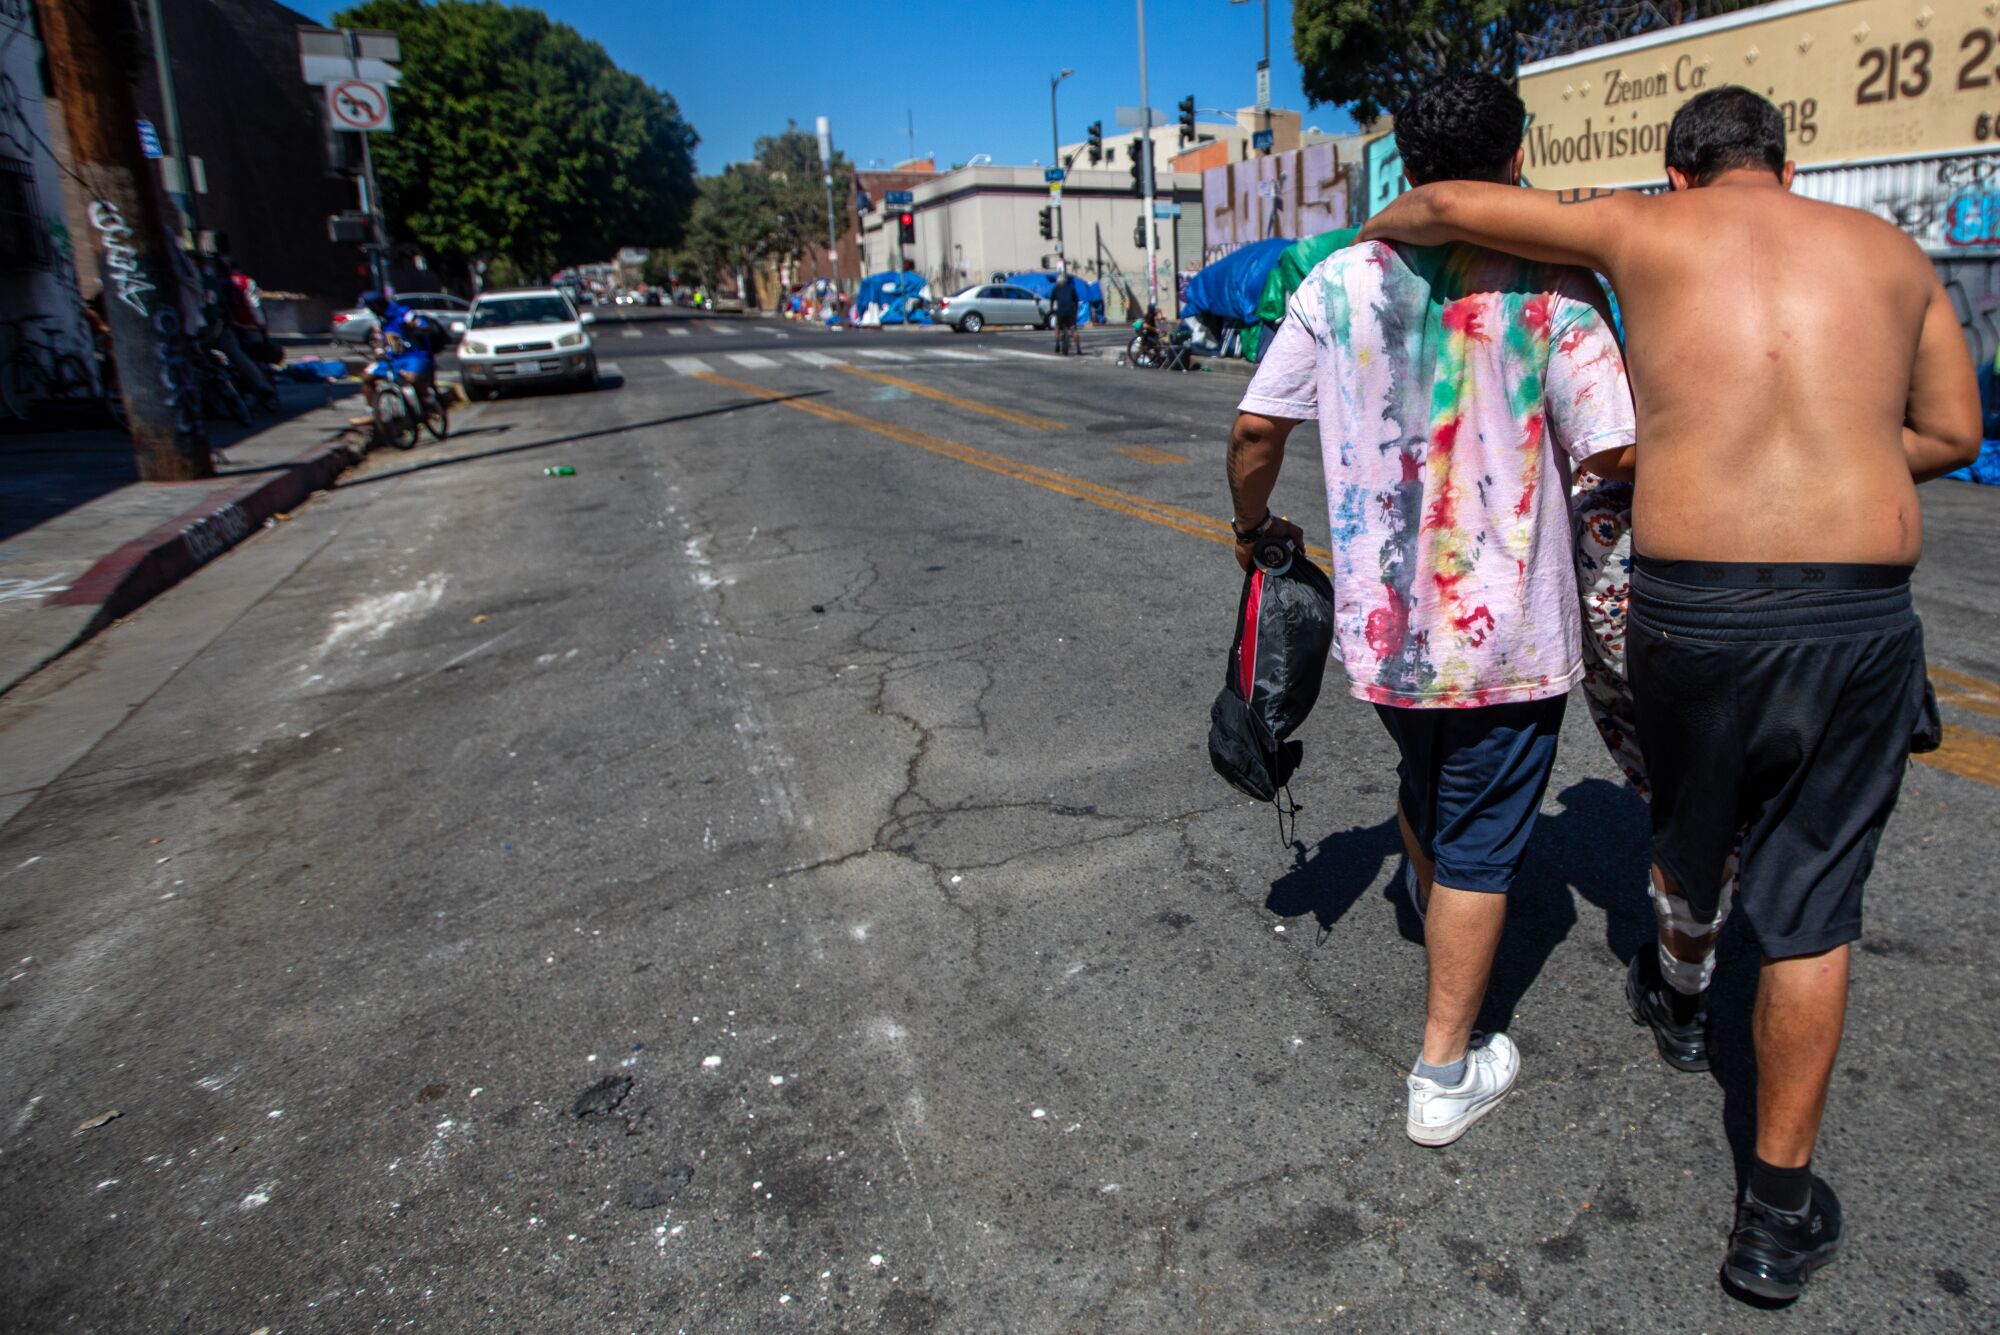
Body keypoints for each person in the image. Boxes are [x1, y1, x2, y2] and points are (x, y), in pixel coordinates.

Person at [1363, 85, 1982, 1299]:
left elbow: (1438, 203)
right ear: (1783, 168)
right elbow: (1954, 432)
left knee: (1688, 824)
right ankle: (1773, 1214)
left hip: (1690, 604)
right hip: (1852, 614)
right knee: (1809, 899)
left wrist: (1361, 249)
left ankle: (1680, 983)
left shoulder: (1639, 227)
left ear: (1679, 170)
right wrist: (1842, 447)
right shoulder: (1890, 253)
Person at [1226, 72, 1637, 1150]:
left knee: (1429, 779)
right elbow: (1612, 453)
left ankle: (1428, 895)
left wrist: (1251, 525)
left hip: (1383, 628)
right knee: (1483, 843)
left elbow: (1256, 430)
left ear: (1402, 165)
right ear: (1513, 159)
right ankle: (1443, 1071)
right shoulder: (1557, 287)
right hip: (1506, 632)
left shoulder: (1332, 282)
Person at [1051, 268, 1080, 356]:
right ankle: (1078, 348)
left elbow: (1052, 300)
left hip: (1060, 312)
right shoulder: (1071, 288)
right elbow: (1076, 300)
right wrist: (1075, 311)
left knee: (1057, 326)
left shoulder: (1055, 288)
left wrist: (1052, 310)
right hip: (1070, 312)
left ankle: (1057, 343)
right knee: (1074, 329)